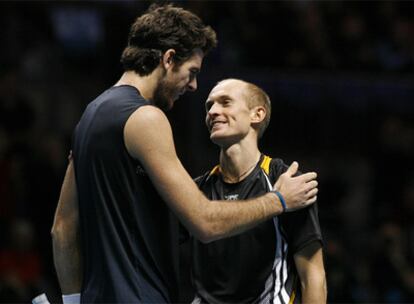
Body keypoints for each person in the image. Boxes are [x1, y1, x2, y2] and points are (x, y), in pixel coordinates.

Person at [50, 4, 319, 304]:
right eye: (191, 72)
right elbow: (205, 222)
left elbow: (62, 229)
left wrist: (73, 301)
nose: (192, 86)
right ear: (168, 59)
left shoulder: (88, 117)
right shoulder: (146, 118)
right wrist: (279, 200)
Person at [189, 79, 326, 303]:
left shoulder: (289, 181)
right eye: (209, 106)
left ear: (257, 114)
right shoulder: (195, 190)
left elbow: (313, 276)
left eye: (225, 102)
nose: (213, 112)